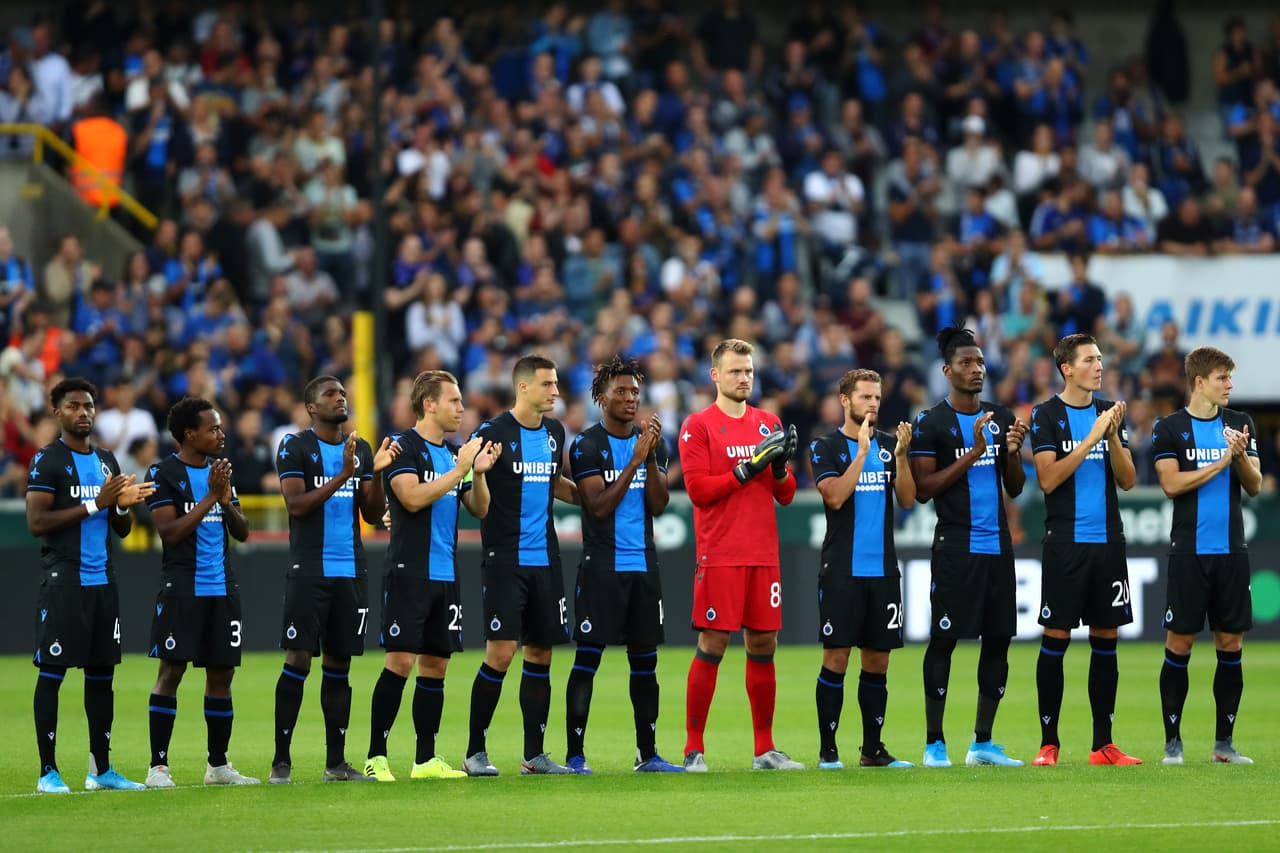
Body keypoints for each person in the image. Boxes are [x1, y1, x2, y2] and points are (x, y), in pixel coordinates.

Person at [363, 371, 498, 782]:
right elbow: (410, 498)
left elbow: (480, 509)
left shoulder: (453, 453)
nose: (462, 409)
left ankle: (425, 759)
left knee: (436, 665)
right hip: (410, 570)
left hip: (445, 572)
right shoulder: (405, 448)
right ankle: (376, 757)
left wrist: (477, 472)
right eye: (454, 401)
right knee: (400, 660)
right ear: (429, 404)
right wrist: (459, 471)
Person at [679, 338, 803, 772]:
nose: (744, 378)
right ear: (715, 375)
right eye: (735, 371)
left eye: (748, 371)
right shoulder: (698, 426)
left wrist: (780, 466)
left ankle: (764, 749)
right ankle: (694, 748)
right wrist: (747, 467)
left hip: (763, 553)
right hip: (721, 553)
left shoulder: (768, 423)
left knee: (764, 643)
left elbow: (785, 496)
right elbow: (698, 491)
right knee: (713, 642)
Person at [270, 375, 400, 784]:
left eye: (343, 393)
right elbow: (296, 505)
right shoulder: (296, 446)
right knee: (299, 659)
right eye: (331, 394)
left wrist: (374, 473)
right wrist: (344, 474)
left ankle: (335, 763)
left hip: (351, 572)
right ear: (312, 407)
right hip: (309, 571)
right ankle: (281, 760)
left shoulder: (359, 448)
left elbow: (372, 514)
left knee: (339, 665)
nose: (340, 398)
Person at [26, 377, 154, 793]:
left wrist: (120, 505)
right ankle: (48, 771)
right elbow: (37, 523)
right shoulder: (48, 461)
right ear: (57, 412)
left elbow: (120, 527)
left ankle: (100, 770)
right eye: (74, 406)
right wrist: (94, 503)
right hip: (65, 581)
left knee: (102, 677)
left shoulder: (106, 461)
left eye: (89, 406)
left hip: (103, 583)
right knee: (53, 673)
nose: (84, 412)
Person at [909, 327, 1028, 768]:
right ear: (947, 370)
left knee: (999, 641)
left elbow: (1013, 489)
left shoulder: (1000, 416)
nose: (976, 369)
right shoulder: (931, 422)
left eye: (979, 362)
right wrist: (975, 451)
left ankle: (982, 742)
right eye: (966, 363)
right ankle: (934, 742)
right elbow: (923, 488)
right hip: (956, 547)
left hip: (998, 546)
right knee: (944, 641)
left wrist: (1012, 453)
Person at [563, 356, 684, 774]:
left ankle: (647, 754)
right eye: (622, 391)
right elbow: (596, 506)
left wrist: (649, 457)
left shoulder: (654, 442)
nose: (631, 398)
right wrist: (634, 459)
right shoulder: (586, 445)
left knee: (645, 661)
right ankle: (575, 755)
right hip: (601, 567)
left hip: (643, 565)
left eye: (635, 391)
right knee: (588, 661)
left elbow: (659, 504)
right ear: (601, 398)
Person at [463, 355, 580, 777]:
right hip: (504, 559)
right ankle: (475, 751)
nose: (556, 392)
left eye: (556, 384)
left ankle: (535, 754)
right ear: (524, 387)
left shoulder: (554, 433)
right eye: (548, 384)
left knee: (541, 653)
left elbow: (556, 484)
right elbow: (468, 485)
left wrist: (602, 495)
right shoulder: (491, 433)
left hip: (545, 560)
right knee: (500, 652)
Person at [1029, 334, 1141, 767]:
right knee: (1056, 638)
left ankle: (1103, 744)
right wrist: (1092, 437)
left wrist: (1111, 437)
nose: (1099, 365)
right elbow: (1048, 479)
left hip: (1108, 544)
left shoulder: (1109, 413)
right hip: (1066, 546)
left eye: (1100, 358)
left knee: (1106, 639)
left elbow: (1128, 480)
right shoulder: (1046, 416)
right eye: (1090, 360)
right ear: (1067, 369)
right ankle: (1048, 743)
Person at [1153, 347, 1262, 765]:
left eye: (1230, 378)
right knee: (1179, 643)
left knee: (1230, 641)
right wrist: (1221, 461)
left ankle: (1224, 744)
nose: (1229, 385)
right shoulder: (1170, 428)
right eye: (1222, 378)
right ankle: (1173, 743)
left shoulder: (1240, 424)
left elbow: (1254, 485)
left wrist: (1239, 458)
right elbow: (1171, 485)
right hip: (1188, 553)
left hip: (1232, 551)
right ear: (1200, 382)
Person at [143, 397, 257, 787]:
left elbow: (242, 532)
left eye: (221, 427)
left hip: (222, 587)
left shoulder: (220, 473)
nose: (221, 434)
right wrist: (211, 496)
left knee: (221, 675)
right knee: (171, 671)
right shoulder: (163, 473)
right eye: (213, 429)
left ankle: (218, 766)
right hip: (183, 588)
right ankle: (158, 767)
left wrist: (225, 502)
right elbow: (170, 533)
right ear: (189, 434)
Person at [811, 369, 917, 769]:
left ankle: (873, 750)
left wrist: (903, 457)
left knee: (878, 661)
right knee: (836, 658)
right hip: (841, 570)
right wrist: (860, 453)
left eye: (876, 397)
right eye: (865, 397)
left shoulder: (890, 446)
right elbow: (835, 497)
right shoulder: (826, 447)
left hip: (883, 572)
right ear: (845, 400)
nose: (872, 404)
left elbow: (908, 500)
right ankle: (828, 751)